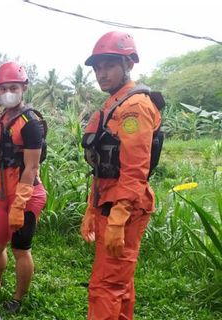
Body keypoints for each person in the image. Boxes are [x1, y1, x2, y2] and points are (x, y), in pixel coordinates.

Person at [80, 31, 162, 320]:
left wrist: (119, 215)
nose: (101, 73)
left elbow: (135, 168)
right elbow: (102, 166)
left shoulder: (134, 107)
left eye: (109, 66)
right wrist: (92, 208)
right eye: (97, 68)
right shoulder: (113, 104)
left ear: (128, 63)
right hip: (110, 203)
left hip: (124, 208)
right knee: (120, 285)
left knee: (104, 287)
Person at [0, 62, 47, 313]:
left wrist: (19, 205)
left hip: (27, 196)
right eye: (4, 88)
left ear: (24, 88)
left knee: (20, 249)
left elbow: (31, 168)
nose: (9, 92)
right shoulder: (0, 121)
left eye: (14, 87)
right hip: (4, 195)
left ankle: (18, 298)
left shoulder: (31, 123)